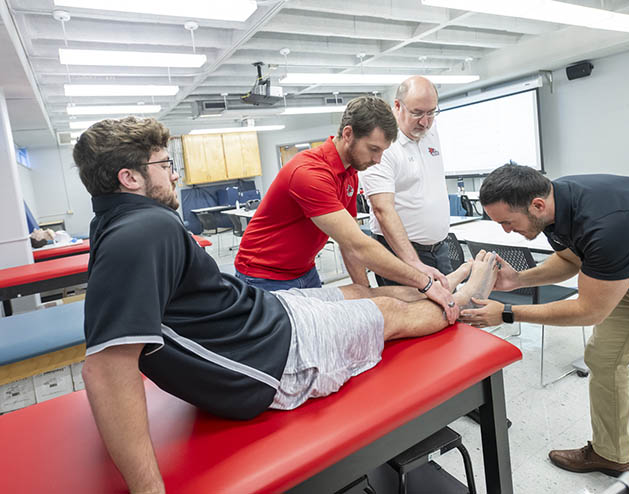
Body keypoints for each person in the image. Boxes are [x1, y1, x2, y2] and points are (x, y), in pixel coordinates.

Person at [73, 116, 497, 493]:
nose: (173, 175)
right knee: (386, 315)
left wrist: (415, 279)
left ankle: (447, 281)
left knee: (358, 293)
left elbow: (353, 245)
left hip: (266, 314)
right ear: (129, 177)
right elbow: (107, 368)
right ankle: (461, 297)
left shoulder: (127, 223)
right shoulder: (139, 233)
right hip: (272, 357)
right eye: (164, 166)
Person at [461, 164, 629, 477]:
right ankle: (609, 454)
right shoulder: (555, 206)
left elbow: (589, 311)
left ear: (537, 205)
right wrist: (519, 280)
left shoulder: (607, 223)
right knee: (603, 359)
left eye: (508, 223)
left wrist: (508, 313)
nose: (506, 232)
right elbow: (571, 259)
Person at [234, 95, 457, 323]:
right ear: (348, 134)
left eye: (382, 151)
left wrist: (365, 291)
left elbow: (348, 242)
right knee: (286, 349)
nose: (378, 160)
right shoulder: (309, 173)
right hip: (263, 276)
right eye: (373, 149)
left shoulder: (349, 174)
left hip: (305, 271)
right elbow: (358, 245)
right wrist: (425, 283)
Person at [359, 76, 451, 287]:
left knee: (447, 312)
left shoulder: (428, 129)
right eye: (417, 113)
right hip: (400, 254)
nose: (425, 122)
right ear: (397, 106)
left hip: (440, 248)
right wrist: (413, 262)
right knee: (412, 317)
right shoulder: (381, 145)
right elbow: (382, 210)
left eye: (431, 112)